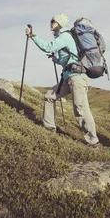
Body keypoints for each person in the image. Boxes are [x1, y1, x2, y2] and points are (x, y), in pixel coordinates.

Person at [25, 13, 100, 148]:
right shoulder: (62, 37)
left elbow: (48, 47)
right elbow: (67, 59)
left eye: (53, 21)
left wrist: (32, 36)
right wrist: (56, 59)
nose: (50, 23)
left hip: (76, 78)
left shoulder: (65, 36)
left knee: (81, 109)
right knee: (49, 96)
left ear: (59, 23)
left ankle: (93, 141)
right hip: (68, 77)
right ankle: (49, 128)